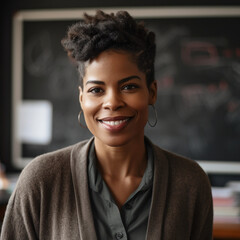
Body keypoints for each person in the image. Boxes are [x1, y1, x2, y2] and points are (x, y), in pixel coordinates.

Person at [0, 10, 213, 240]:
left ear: (151, 92)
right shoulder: (41, 181)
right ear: (82, 99)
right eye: (96, 90)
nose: (112, 102)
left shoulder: (190, 183)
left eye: (129, 86)